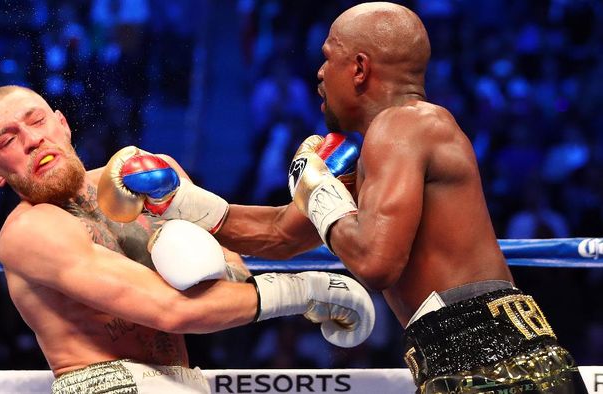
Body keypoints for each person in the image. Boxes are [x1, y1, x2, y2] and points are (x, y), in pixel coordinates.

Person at [103, 2, 587, 393]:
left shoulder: (406, 124)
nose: (318, 72)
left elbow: (376, 261)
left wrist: (316, 186)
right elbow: (279, 235)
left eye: (328, 55)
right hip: (474, 361)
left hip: (494, 360)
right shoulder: (382, 147)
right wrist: (178, 200)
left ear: (359, 68)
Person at [0, 85, 375, 394]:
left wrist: (190, 228)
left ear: (62, 123)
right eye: (7, 139)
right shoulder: (28, 232)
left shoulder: (143, 178)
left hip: (185, 381)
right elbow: (170, 311)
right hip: (104, 384)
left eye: (36, 121)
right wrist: (307, 289)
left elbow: (233, 272)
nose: (31, 139)